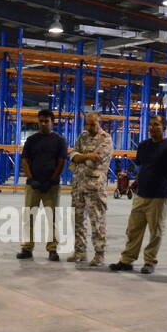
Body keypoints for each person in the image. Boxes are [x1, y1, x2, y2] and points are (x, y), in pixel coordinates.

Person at [110, 114, 167, 275]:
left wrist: (164, 181)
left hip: (159, 196)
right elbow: (142, 166)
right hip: (141, 194)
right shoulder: (143, 146)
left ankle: (150, 261)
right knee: (133, 229)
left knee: (155, 231)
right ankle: (127, 260)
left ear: (164, 127)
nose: (152, 127)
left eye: (156, 125)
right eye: (151, 124)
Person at [16, 108, 67, 261]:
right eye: (41, 121)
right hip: (34, 185)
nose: (44, 124)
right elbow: (25, 160)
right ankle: (27, 248)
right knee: (29, 217)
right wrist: (32, 180)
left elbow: (61, 162)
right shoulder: (31, 140)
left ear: (52, 122)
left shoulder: (59, 140)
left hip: (51, 186)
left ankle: (52, 249)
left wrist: (52, 180)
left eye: (47, 121)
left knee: (52, 218)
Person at [67, 110, 113, 266]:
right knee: (78, 219)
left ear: (99, 123)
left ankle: (99, 254)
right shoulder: (82, 136)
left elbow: (96, 159)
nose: (89, 127)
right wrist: (85, 156)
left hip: (95, 187)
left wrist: (81, 157)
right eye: (87, 123)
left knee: (97, 221)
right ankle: (80, 252)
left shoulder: (105, 139)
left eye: (93, 124)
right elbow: (73, 154)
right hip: (79, 185)